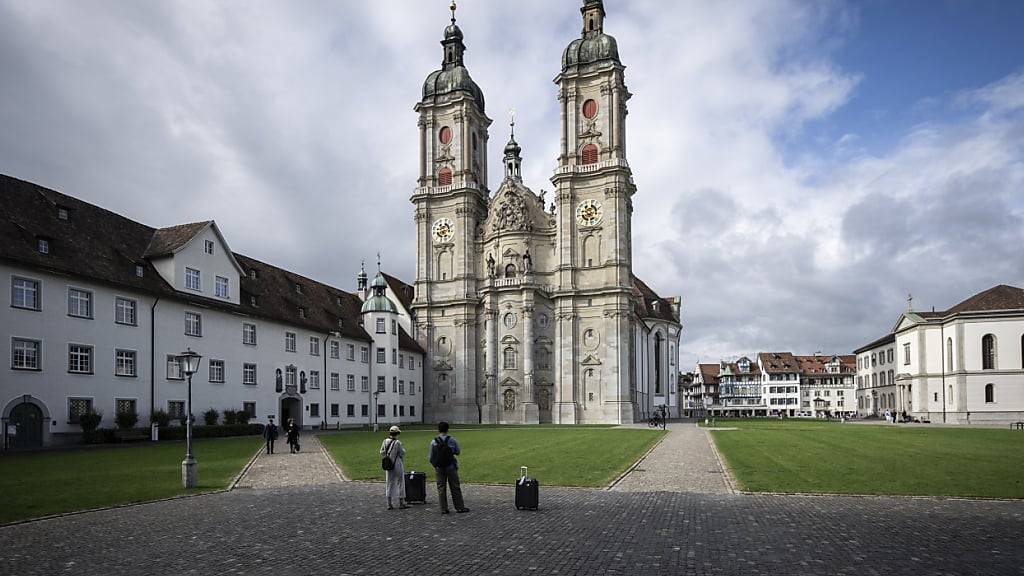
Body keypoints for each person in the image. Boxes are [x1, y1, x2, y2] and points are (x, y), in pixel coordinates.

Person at [428, 421, 469, 514]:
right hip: (450, 465)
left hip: (439, 467)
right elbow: (458, 452)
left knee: (441, 488)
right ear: (447, 429)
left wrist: (435, 465)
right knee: (455, 486)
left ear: (438, 430)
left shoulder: (434, 441)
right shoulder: (452, 440)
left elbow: (430, 457)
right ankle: (459, 507)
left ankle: (443, 508)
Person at [380, 426, 408, 510]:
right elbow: (402, 453)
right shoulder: (397, 442)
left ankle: (389, 503)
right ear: (397, 433)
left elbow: (381, 452)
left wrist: (387, 456)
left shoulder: (385, 441)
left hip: (388, 464)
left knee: (389, 483)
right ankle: (401, 502)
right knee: (400, 482)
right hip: (397, 463)